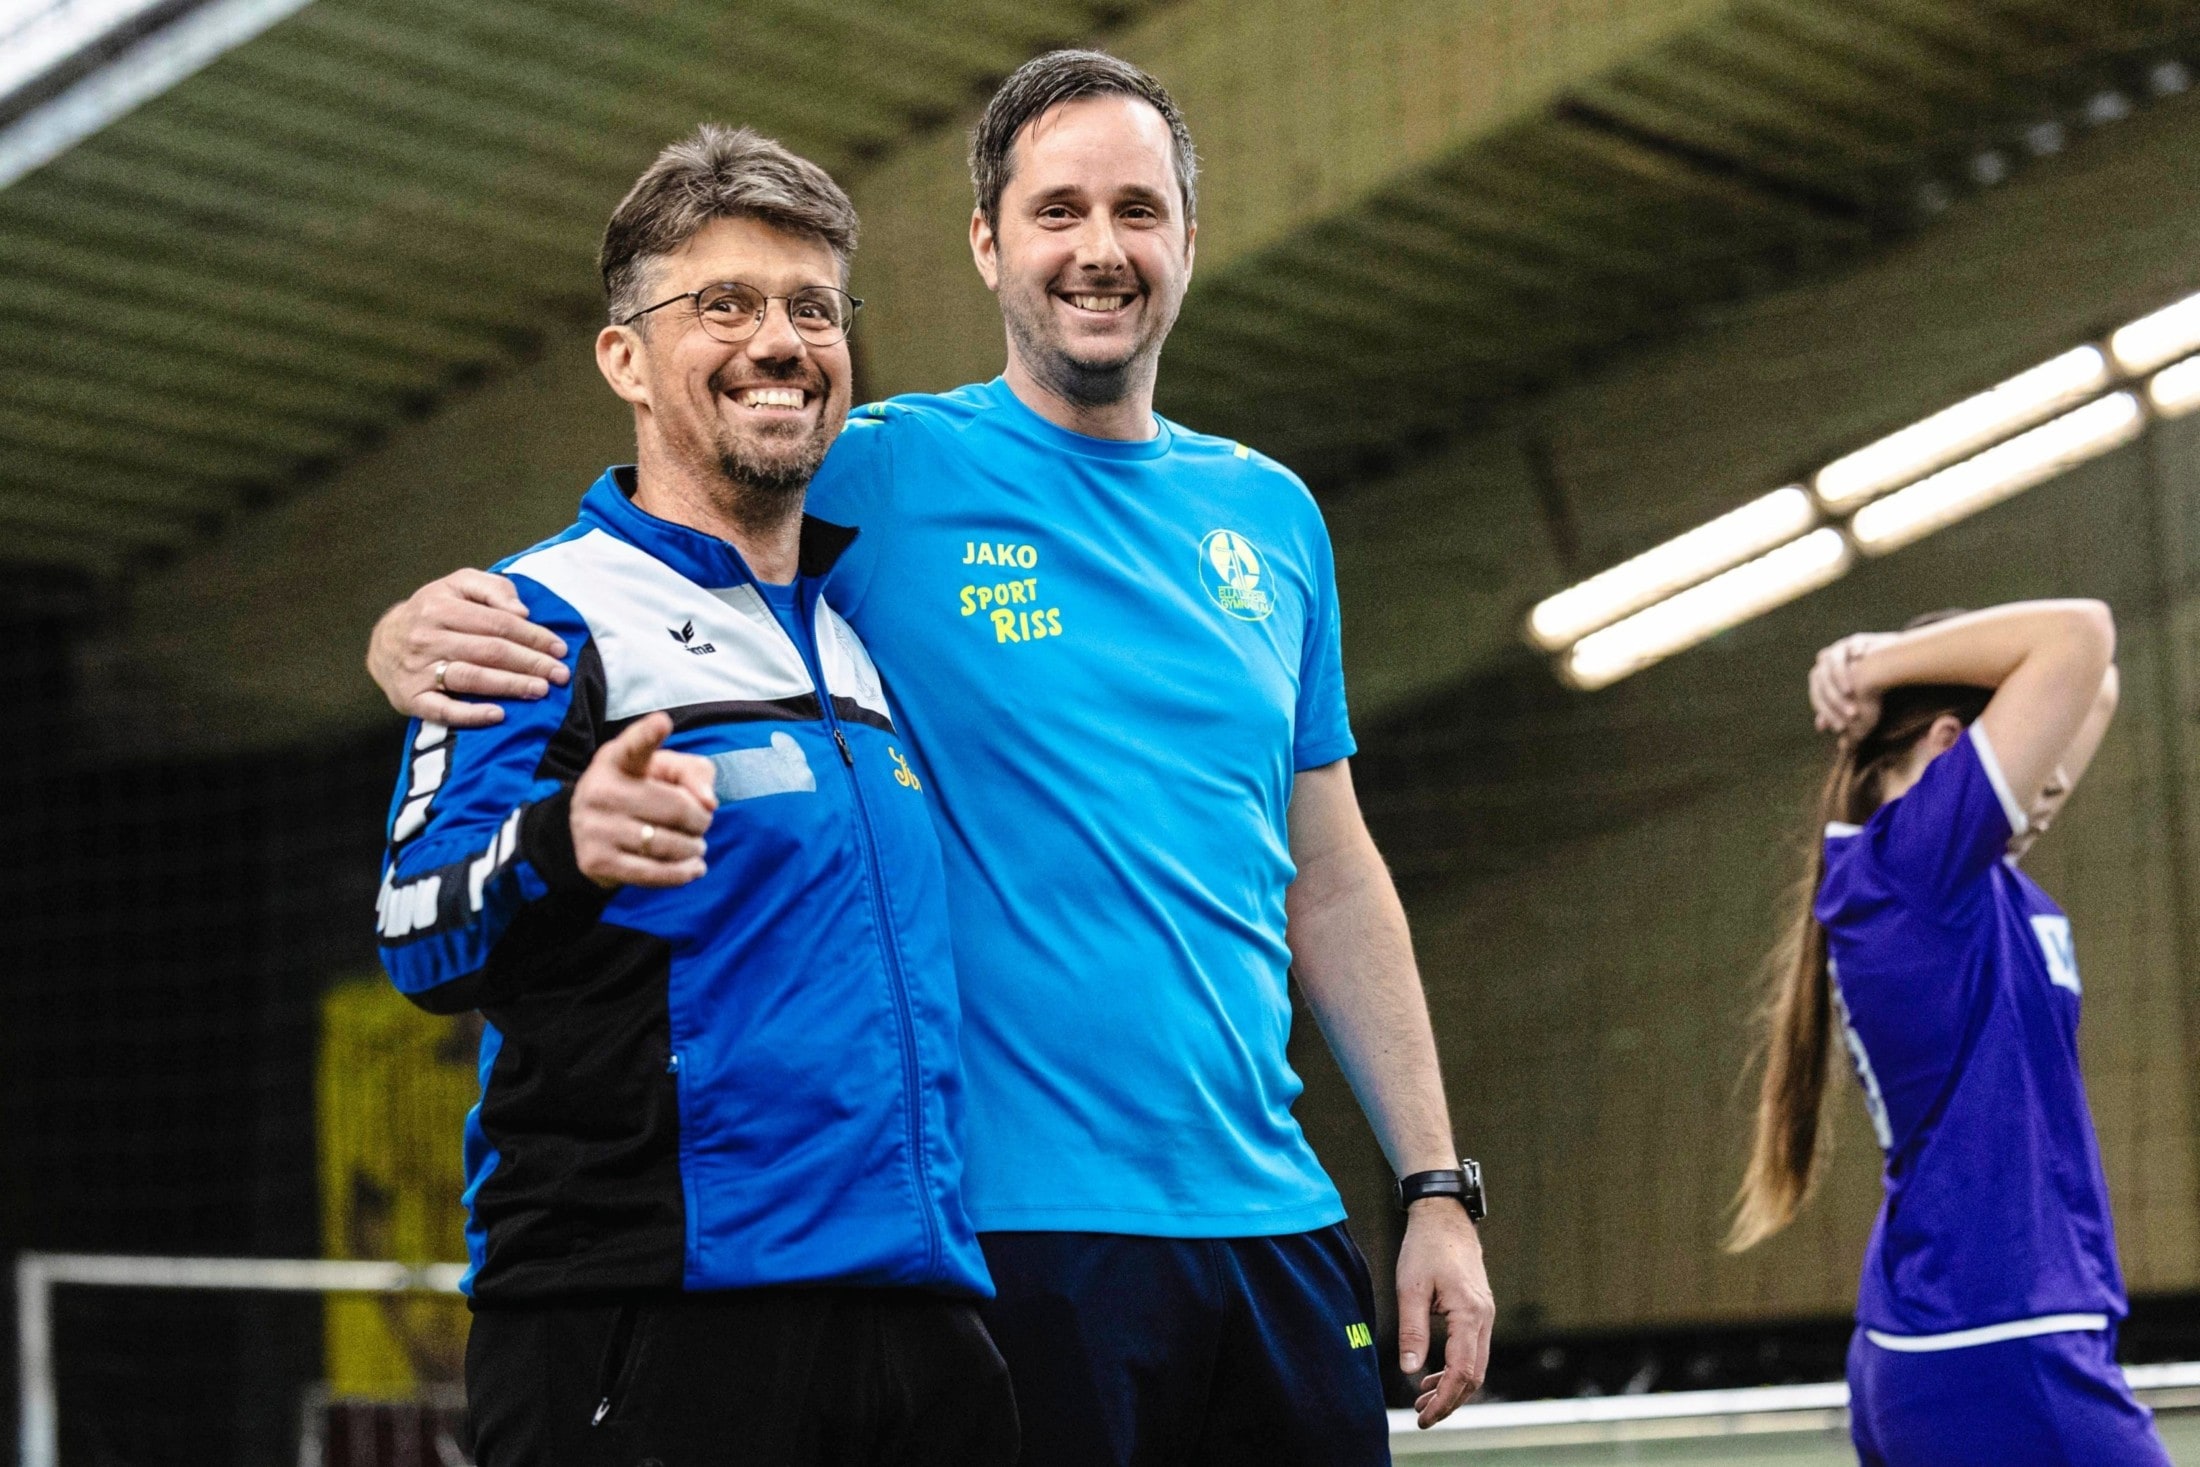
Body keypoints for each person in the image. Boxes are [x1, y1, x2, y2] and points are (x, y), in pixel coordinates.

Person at [370, 52, 1494, 1463]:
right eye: (1057, 210)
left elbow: (1329, 871)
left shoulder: (1271, 516)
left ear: (1189, 239)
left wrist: (1434, 1183)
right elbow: (678, 501)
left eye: (1138, 210)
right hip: (1003, 1239)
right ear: (985, 242)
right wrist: (409, 634)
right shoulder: (880, 473)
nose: (1100, 248)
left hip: (1267, 1221)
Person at [373, 126, 1017, 1467]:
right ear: (623, 358)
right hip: (647, 1324)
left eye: (812, 309)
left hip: (920, 1323)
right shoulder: (536, 616)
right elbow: (414, 929)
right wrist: (564, 842)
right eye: (723, 304)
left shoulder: (856, 630)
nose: (779, 341)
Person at [1727, 600, 2167, 1466]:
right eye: (2037, 767)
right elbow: (2082, 635)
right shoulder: (1917, 865)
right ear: (1948, 746)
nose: (2052, 791)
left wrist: (1903, 660)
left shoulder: (1945, 875)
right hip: (1999, 1341)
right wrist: (1872, 660)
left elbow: (2099, 684)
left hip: (1961, 1336)